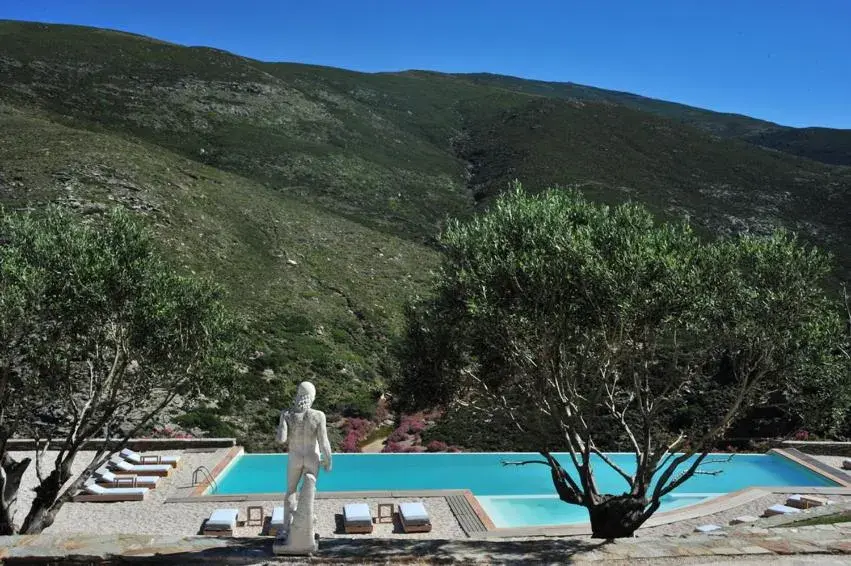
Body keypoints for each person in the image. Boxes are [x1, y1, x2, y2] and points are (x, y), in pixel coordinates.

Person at [276, 381, 332, 534]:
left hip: (295, 456)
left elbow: (281, 439)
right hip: (311, 457)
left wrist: (282, 422)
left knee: (291, 491)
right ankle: (307, 527)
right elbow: (323, 442)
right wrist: (328, 460)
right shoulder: (318, 415)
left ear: (297, 396)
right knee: (309, 491)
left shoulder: (287, 414)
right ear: (312, 397)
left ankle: (287, 528)